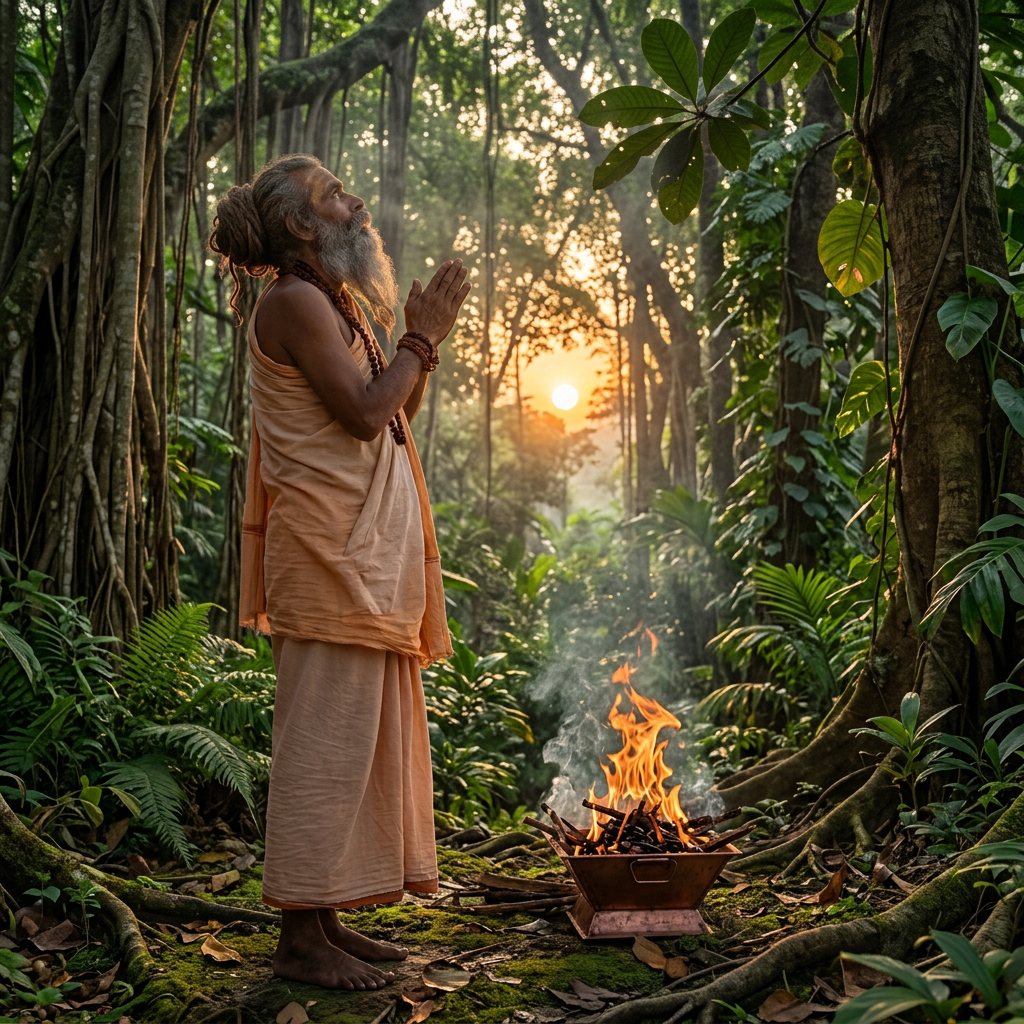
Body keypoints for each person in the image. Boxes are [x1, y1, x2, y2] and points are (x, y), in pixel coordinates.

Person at [208, 154, 470, 990]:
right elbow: (363, 417)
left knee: (352, 741)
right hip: (326, 556)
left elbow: (394, 410)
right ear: (300, 225)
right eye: (334, 196)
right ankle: (298, 941)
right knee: (321, 745)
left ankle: (324, 921)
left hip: (359, 557)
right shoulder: (290, 303)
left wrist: (413, 350)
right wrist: (420, 338)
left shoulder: (336, 303)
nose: (355, 203)